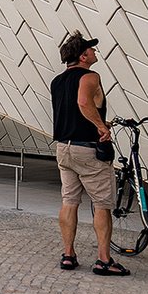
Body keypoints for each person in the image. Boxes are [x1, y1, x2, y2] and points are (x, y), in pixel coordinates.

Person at [51, 30, 126, 276]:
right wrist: (101, 126)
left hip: (64, 148)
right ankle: (104, 259)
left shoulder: (57, 81)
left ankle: (68, 254)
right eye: (91, 50)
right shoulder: (91, 77)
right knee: (102, 204)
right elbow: (83, 103)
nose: (95, 52)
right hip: (88, 149)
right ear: (83, 56)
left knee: (69, 201)